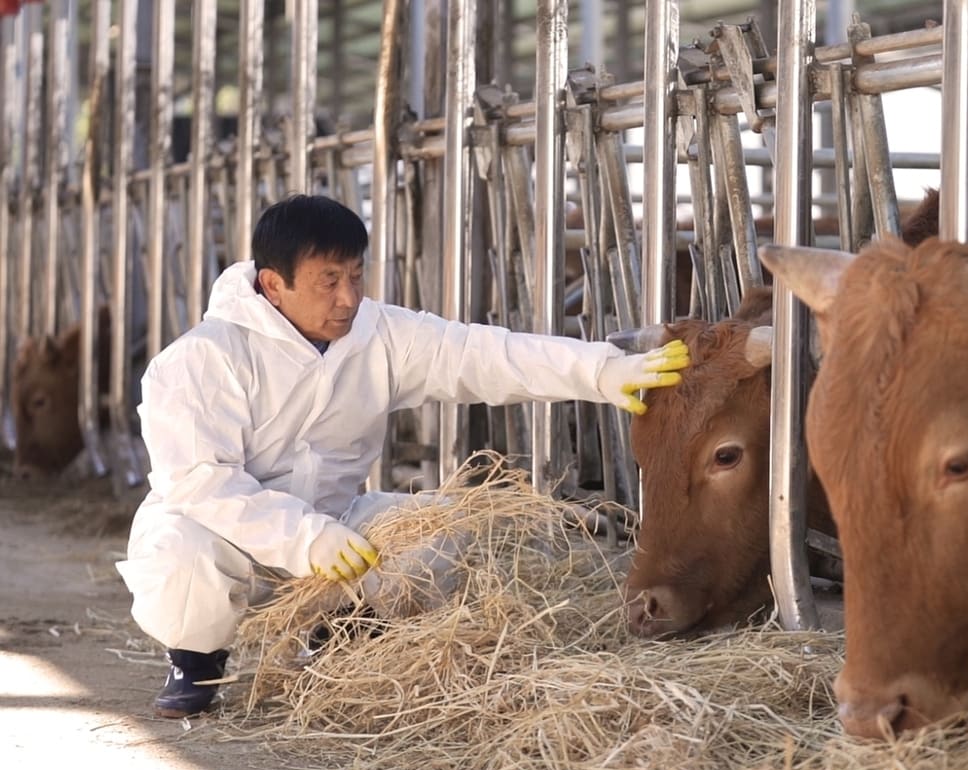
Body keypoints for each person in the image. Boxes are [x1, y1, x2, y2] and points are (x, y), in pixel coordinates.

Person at [115, 194, 689, 718]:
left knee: (436, 531)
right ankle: (196, 662)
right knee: (181, 551)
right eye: (328, 281)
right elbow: (203, 483)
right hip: (224, 534)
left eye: (356, 277)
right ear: (272, 284)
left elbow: (481, 354)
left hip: (337, 524)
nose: (348, 298)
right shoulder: (200, 360)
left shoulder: (378, 333)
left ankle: (341, 638)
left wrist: (600, 370)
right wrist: (304, 537)